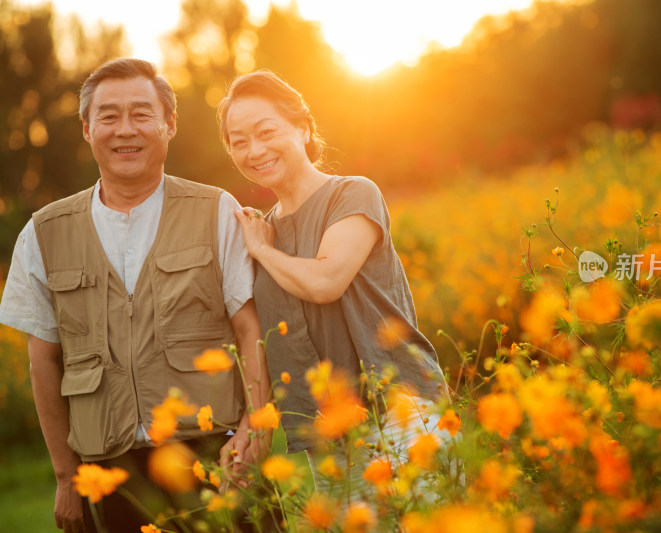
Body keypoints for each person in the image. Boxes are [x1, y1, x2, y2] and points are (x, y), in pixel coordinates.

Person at [0, 58, 270, 532]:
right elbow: (42, 361)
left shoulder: (216, 211)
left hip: (214, 454)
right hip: (108, 471)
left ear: (169, 125)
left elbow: (251, 330)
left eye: (142, 114)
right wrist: (66, 476)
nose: (126, 129)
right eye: (108, 116)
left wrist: (254, 432)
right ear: (87, 129)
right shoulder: (44, 232)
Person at [216, 70, 451, 499]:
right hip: (327, 437)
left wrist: (264, 253)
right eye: (238, 141)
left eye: (266, 131)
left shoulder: (352, 194)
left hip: (399, 414)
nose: (255, 150)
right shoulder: (262, 229)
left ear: (303, 127)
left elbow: (326, 282)